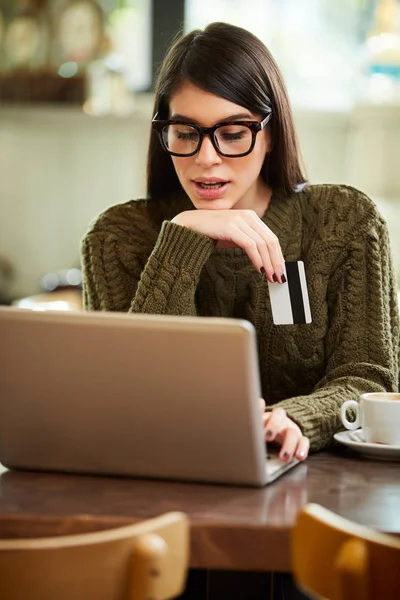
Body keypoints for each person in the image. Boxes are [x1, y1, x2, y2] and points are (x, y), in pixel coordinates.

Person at [81, 22, 399, 465]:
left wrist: (296, 417)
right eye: (186, 132)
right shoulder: (120, 236)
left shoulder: (343, 223)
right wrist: (181, 242)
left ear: (270, 134)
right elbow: (127, 397)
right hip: (163, 474)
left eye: (232, 133)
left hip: (311, 477)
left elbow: (369, 377)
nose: (206, 158)